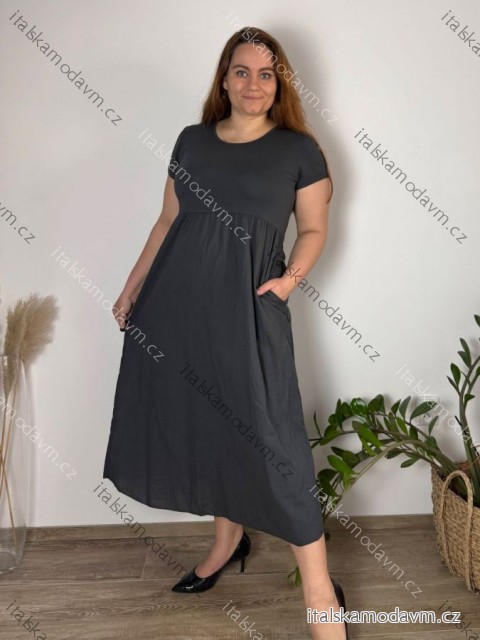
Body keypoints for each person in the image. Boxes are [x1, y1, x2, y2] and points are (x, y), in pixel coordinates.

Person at [103, 26, 348, 640]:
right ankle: (226, 541)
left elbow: (314, 229)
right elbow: (168, 221)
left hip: (248, 312)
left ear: (280, 83)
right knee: (207, 425)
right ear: (224, 79)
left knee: (274, 441)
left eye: (266, 74)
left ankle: (320, 590)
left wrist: (287, 283)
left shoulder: (299, 150)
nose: (253, 85)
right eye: (242, 72)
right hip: (177, 308)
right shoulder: (191, 141)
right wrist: (132, 287)